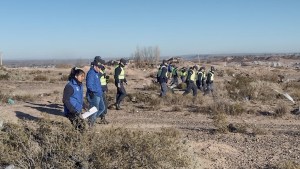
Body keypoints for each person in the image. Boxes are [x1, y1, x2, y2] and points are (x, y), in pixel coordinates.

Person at [86, 56, 106, 126]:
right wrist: (96, 91)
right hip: (94, 95)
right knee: (94, 110)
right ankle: (90, 124)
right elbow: (89, 85)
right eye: (99, 67)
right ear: (95, 66)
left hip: (99, 94)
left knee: (102, 108)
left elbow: (97, 83)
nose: (100, 69)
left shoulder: (96, 73)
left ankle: (90, 119)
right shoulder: (91, 73)